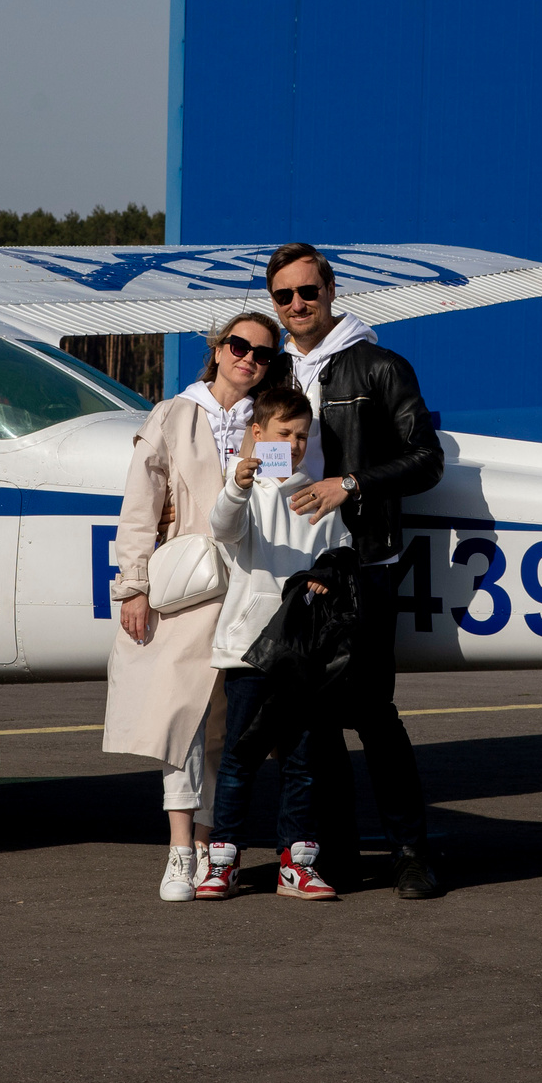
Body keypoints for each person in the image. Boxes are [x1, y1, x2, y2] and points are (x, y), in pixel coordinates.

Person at [267, 242, 449, 899]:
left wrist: (350, 483)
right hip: (290, 568)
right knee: (309, 721)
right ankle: (336, 852)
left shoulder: (379, 366)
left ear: (331, 290)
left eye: (307, 291)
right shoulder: (271, 372)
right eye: (284, 295)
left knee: (373, 712)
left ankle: (411, 853)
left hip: (364, 562)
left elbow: (427, 459)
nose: (297, 305)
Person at [102, 310, 284, 901]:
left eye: (262, 353)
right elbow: (140, 506)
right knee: (181, 717)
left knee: (227, 726)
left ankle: (212, 846)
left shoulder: (270, 420)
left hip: (252, 585)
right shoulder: (174, 414)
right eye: (239, 346)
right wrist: (134, 585)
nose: (248, 359)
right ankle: (181, 849)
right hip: (189, 584)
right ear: (218, 348)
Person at [195, 382, 350, 902]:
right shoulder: (245, 491)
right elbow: (223, 529)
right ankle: (223, 861)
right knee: (239, 758)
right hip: (249, 651)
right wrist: (239, 484)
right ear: (258, 434)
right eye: (285, 433)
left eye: (302, 435)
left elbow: (342, 551)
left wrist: (329, 570)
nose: (295, 444)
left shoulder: (319, 496)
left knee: (302, 763)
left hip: (303, 655)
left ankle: (297, 865)